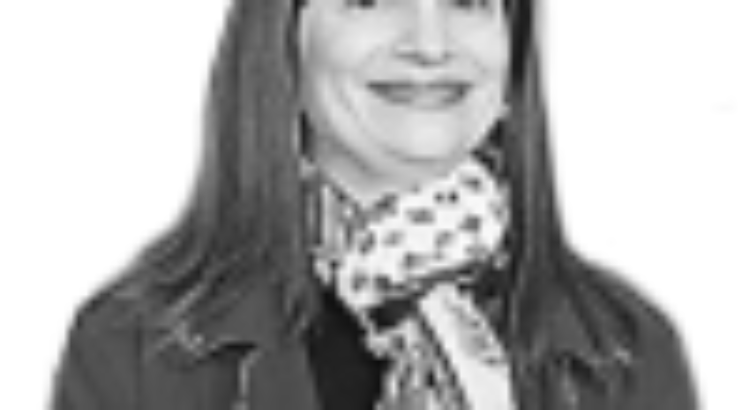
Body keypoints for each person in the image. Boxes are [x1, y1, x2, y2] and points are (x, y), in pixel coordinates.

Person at [42, 0, 704, 409]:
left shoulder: (633, 350)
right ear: (283, 39)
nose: (429, 44)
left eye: (469, 1)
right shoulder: (132, 344)